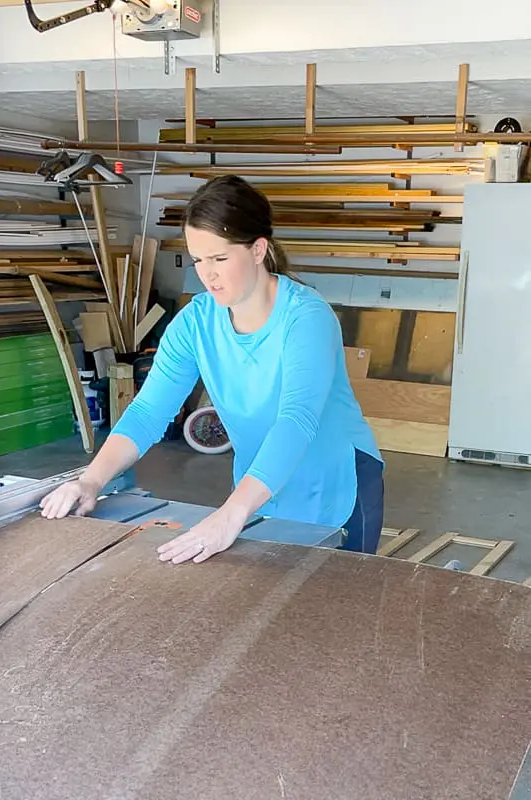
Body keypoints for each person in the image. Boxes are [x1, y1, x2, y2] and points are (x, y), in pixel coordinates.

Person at [40, 175, 384, 563]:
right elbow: (148, 411)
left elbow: (297, 420)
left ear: (258, 250)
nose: (207, 274)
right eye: (198, 260)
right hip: (260, 483)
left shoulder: (306, 317)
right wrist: (91, 480)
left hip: (337, 479)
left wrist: (231, 513)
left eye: (220, 258)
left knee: (336, 609)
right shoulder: (195, 323)